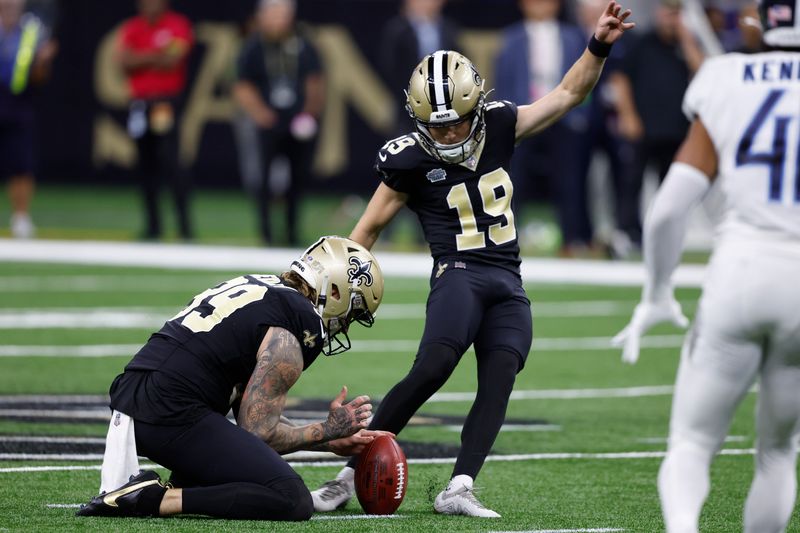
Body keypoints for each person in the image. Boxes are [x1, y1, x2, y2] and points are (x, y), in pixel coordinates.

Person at [311, 2, 634, 518]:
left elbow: (570, 92)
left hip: (508, 279)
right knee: (433, 366)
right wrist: (336, 289)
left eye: (455, 124)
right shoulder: (409, 159)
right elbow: (367, 229)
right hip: (458, 274)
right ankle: (346, 477)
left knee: (501, 373)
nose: (445, 135)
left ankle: (458, 487)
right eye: (433, 127)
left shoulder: (503, 123)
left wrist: (597, 45)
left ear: (476, 106)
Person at [612, 1, 800, 531]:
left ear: (761, 21)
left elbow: (669, 208)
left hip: (742, 270)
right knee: (778, 452)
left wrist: (657, 291)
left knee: (692, 445)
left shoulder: (725, 77)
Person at [75, 236, 387, 521]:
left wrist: (330, 441)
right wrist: (325, 430)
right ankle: (151, 499)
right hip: (171, 410)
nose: (344, 326)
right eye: (352, 312)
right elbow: (258, 432)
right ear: (334, 291)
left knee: (247, 471)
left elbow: (251, 418)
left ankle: (161, 489)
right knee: (292, 498)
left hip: (144, 396)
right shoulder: (299, 322)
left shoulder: (263, 287)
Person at [494, 0, 596, 256]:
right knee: (513, 179)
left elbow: (588, 75)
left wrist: (580, 114)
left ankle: (573, 239)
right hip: (524, 115)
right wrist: (506, 117)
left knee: (570, 180)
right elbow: (502, 80)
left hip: (564, 117)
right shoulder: (511, 37)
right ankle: (506, 238)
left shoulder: (572, 36)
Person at [609, 0, 704, 248]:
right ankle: (627, 234)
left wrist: (685, 38)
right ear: (658, 13)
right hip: (644, 128)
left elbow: (703, 74)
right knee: (632, 184)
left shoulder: (687, 45)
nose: (671, 19)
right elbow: (620, 79)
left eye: (676, 13)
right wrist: (628, 116)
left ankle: (664, 235)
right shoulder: (641, 42)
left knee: (670, 189)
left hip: (676, 130)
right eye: (668, 12)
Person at [234, 0, 324, 247]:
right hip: (267, 123)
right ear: (261, 17)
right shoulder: (253, 46)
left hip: (297, 122)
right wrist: (260, 113)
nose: (278, 20)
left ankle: (291, 231)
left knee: (297, 179)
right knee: (262, 179)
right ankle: (266, 233)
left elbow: (315, 80)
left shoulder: (302, 45)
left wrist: (308, 113)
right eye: (273, 15)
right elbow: (242, 84)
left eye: (283, 15)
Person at [117, 0, 193, 241]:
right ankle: (153, 226)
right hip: (140, 104)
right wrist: (155, 56)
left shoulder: (177, 25)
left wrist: (141, 57)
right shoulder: (132, 27)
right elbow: (124, 62)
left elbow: (173, 59)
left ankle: (184, 226)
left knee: (171, 162)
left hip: (164, 104)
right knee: (145, 164)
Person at [0, 0, 57, 238]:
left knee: (21, 164)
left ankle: (21, 218)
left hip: (18, 103)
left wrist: (44, 61)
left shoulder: (34, 31)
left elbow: (39, 77)